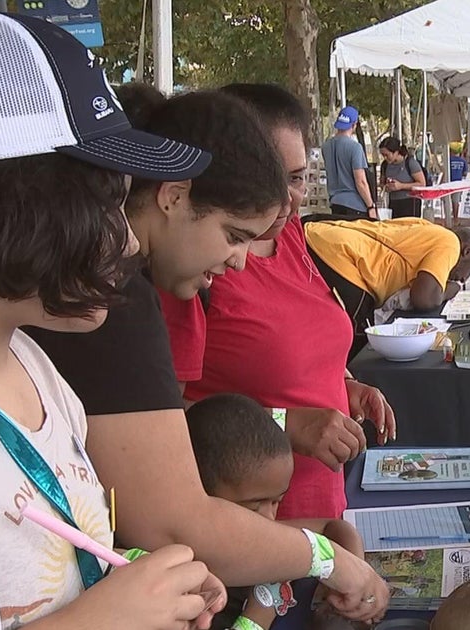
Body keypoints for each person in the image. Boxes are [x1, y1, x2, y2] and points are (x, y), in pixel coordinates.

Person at [0, 7, 226, 629]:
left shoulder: (30, 363)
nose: (129, 243)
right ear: (4, 206)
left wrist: (138, 583)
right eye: (105, 201)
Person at [24, 84, 391, 619]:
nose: (240, 263)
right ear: (173, 197)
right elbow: (173, 517)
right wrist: (329, 559)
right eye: (233, 235)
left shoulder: (120, 291)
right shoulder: (117, 302)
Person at [159, 82, 395, 522]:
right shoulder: (196, 269)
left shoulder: (290, 237)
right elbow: (164, 429)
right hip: (253, 534)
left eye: (297, 178)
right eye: (270, 177)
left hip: (323, 512)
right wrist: (287, 425)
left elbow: (297, 348)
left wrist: (343, 387)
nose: (286, 199)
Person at [185, 394, 368, 630]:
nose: (270, 519)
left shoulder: (258, 533)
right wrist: (262, 608)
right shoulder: (185, 570)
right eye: (253, 506)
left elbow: (332, 527)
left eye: (276, 502)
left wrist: (357, 577)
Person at [305, 218, 470, 341]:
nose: (463, 279)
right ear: (467, 251)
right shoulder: (450, 243)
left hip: (320, 238)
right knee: (357, 340)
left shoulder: (432, 230)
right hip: (344, 256)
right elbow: (424, 299)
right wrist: (452, 289)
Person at [323, 106, 377, 218]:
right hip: (355, 205)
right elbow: (361, 182)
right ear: (354, 124)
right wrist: (371, 206)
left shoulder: (326, 146)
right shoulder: (355, 147)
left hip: (335, 202)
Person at [379, 137, 426, 219]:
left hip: (410, 203)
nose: (385, 158)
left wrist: (401, 186)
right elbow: (382, 183)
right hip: (393, 203)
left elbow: (422, 184)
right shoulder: (385, 165)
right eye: (383, 155)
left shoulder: (410, 163)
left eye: (387, 155)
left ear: (396, 152)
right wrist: (386, 186)